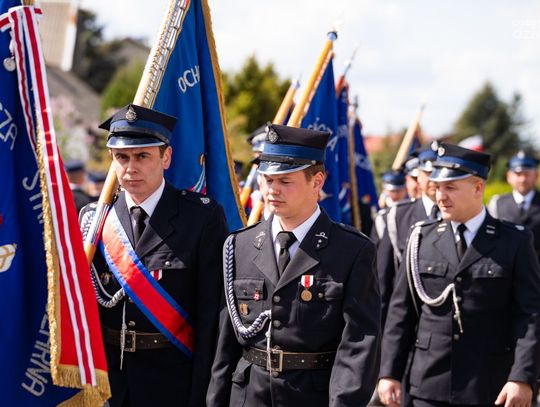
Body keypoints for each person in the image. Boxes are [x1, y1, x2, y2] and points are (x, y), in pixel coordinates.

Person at [206, 124, 381, 407]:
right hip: (249, 396)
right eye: (267, 180)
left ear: (317, 182)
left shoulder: (352, 250)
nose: (272, 190)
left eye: (285, 181)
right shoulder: (240, 245)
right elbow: (225, 344)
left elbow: (359, 345)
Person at [79, 104, 228, 407]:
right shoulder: (94, 218)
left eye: (142, 156)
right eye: (122, 157)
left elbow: (212, 316)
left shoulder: (201, 218)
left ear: (166, 157)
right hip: (108, 383)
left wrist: (203, 395)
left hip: (171, 382)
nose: (131, 167)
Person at [378, 142, 540, 407]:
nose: (440, 196)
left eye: (450, 188)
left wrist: (522, 377)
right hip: (428, 385)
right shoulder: (421, 238)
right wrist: (389, 373)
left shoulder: (514, 241)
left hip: (492, 386)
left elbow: (530, 315)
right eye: (437, 187)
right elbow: (401, 313)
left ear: (478, 188)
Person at [488, 150, 540, 260]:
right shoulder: (496, 203)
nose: (522, 179)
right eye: (518, 174)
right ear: (509, 176)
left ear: (536, 176)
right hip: (506, 266)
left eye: (527, 174)